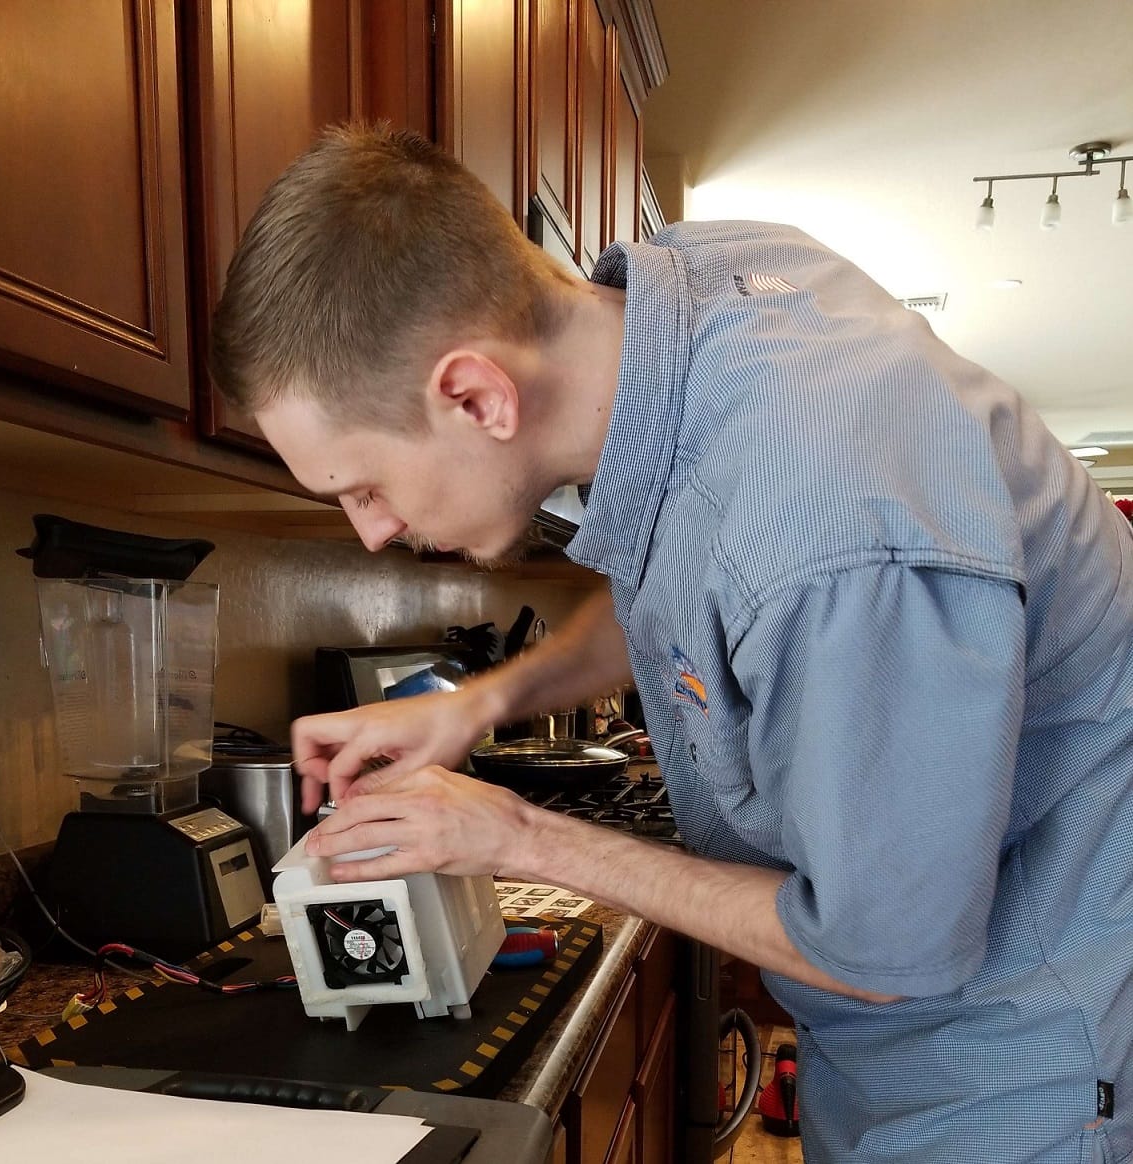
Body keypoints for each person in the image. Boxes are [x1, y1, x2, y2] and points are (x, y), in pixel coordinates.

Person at [210, 125, 1133, 1164]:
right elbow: (693, 575)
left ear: (475, 395)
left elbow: (887, 951)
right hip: (882, 1052)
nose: (371, 529)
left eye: (361, 486)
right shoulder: (693, 294)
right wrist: (474, 704)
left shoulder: (834, 525)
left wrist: (517, 837)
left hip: (1026, 1075)